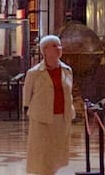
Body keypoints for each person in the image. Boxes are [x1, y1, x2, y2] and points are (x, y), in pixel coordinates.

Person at [22, 35, 74, 175]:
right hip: (41, 118)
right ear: (45, 50)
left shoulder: (67, 70)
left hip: (62, 116)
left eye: (59, 46)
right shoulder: (34, 73)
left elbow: (69, 94)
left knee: (57, 152)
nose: (59, 49)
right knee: (43, 153)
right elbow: (27, 97)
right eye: (55, 46)